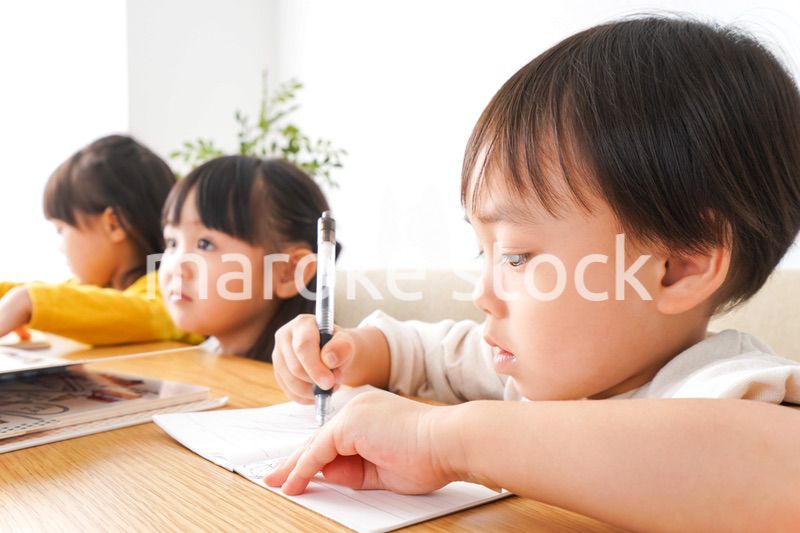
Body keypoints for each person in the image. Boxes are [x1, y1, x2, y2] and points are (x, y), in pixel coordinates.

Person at [265, 16, 800, 530]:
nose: (483, 294)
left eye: (517, 257)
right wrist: (352, 350)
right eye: (484, 253)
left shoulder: (731, 388)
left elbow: (779, 471)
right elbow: (426, 352)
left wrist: (445, 439)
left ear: (678, 266)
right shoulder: (538, 366)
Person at [0, 134, 200, 345]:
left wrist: (29, 300)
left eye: (61, 230)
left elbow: (150, 313)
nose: (61, 247)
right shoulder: (100, 289)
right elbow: (65, 296)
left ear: (113, 225)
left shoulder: (168, 291)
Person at [159, 156, 338, 360]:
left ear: (289, 272)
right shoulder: (200, 360)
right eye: (172, 242)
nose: (177, 267)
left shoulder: (320, 384)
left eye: (205, 244)